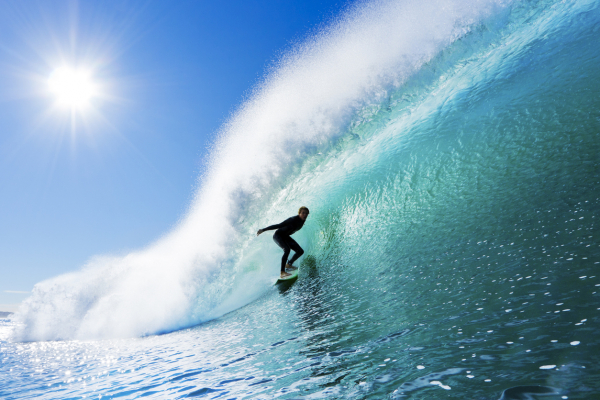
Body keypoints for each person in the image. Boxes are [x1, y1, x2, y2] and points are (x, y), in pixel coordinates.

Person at [257, 206, 309, 278]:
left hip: (285, 236)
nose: (305, 215)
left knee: (300, 251)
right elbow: (279, 225)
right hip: (278, 236)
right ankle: (282, 272)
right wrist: (263, 230)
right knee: (287, 249)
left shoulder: (302, 221)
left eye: (306, 213)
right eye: (303, 213)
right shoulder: (292, 219)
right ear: (299, 213)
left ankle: (289, 264)